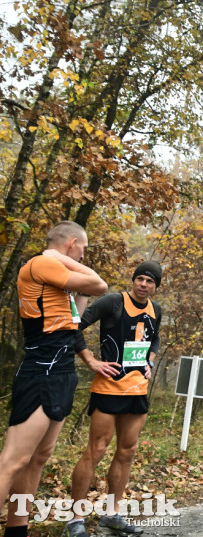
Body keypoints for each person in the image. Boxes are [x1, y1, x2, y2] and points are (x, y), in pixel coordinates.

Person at [0, 221, 108, 537]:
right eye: (82, 250)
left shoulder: (56, 284)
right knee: (13, 460)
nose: (83, 256)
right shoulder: (43, 262)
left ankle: (17, 530)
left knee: (38, 457)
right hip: (40, 372)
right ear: (72, 243)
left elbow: (76, 320)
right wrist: (59, 256)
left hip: (61, 373)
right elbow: (100, 284)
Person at [65, 261, 164, 537]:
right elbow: (75, 326)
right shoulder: (113, 302)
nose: (144, 284)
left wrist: (151, 363)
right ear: (133, 280)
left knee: (127, 451)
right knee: (95, 451)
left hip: (137, 391)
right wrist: (90, 360)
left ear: (156, 286)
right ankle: (74, 519)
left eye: (150, 281)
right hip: (108, 388)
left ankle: (112, 513)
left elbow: (154, 340)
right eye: (140, 279)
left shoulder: (156, 310)